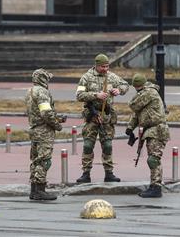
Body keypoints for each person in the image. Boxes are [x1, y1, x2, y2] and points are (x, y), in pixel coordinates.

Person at [76, 53, 129, 183]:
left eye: (107, 66)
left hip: (106, 116)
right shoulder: (86, 77)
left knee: (107, 145)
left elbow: (125, 85)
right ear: (96, 65)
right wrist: (95, 95)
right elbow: (79, 95)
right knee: (88, 145)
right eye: (103, 66)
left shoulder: (111, 76)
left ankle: (109, 173)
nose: (105, 69)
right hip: (92, 116)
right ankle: (86, 173)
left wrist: (119, 90)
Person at [126, 73, 170, 198]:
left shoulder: (149, 92)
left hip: (157, 129)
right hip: (150, 130)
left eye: (137, 87)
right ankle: (154, 185)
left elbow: (133, 105)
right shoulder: (144, 94)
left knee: (153, 159)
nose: (136, 89)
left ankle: (156, 187)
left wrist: (138, 94)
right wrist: (130, 128)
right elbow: (137, 113)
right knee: (153, 158)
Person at [25, 68, 66, 201]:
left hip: (34, 129)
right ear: (43, 79)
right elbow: (46, 113)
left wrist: (57, 118)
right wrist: (57, 125)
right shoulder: (42, 92)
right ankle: (40, 190)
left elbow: (38, 112)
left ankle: (33, 189)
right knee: (44, 160)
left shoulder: (30, 91)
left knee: (36, 159)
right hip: (44, 132)